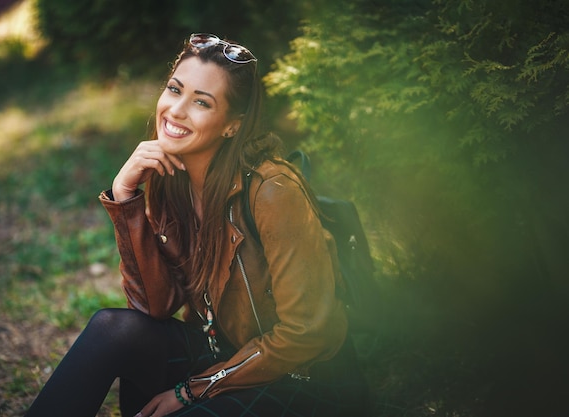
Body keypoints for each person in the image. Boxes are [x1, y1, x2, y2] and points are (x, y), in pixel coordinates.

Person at [25, 33, 368, 417]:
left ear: (232, 126)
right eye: (175, 89)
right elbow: (154, 307)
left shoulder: (273, 191)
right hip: (225, 356)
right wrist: (125, 197)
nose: (176, 110)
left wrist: (192, 390)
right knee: (113, 329)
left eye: (202, 102)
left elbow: (306, 334)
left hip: (301, 380)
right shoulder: (171, 177)